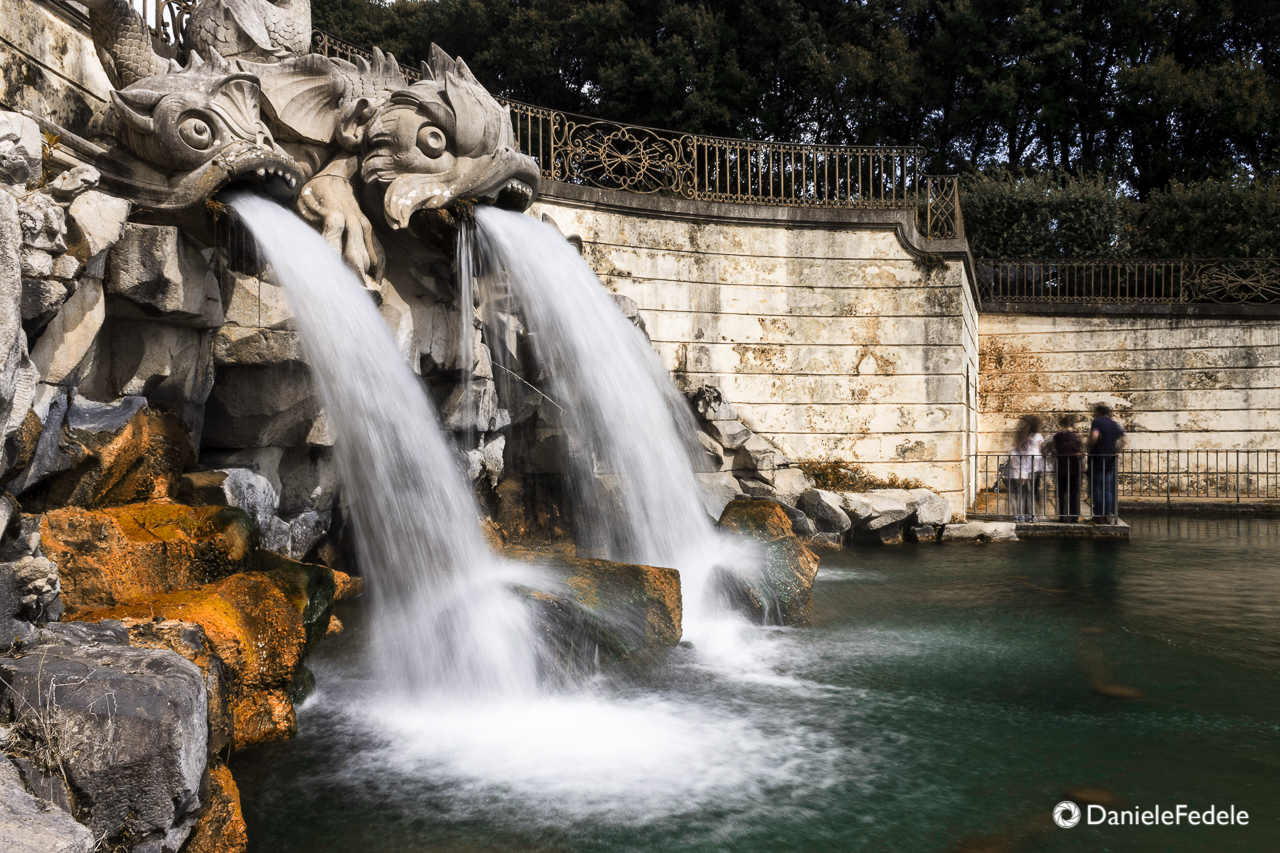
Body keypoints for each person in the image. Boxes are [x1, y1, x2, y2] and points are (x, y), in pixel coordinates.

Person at [1087, 403, 1126, 524]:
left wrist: (1089, 448)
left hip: (1098, 458)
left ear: (1099, 412)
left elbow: (1094, 436)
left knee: (1096, 488)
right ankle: (1107, 515)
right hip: (1110, 459)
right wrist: (1116, 451)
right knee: (1107, 489)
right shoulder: (1115, 424)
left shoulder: (1097, 422)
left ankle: (1098, 515)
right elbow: (1125, 439)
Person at [1044, 415, 1084, 522]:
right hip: (1074, 468)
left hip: (1061, 468)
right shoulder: (1076, 436)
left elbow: (1049, 450)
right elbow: (1082, 451)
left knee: (1061, 493)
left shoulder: (1056, 437)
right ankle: (1074, 517)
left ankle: (1062, 516)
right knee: (1073, 493)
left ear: (1061, 425)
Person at [1006, 414, 1045, 522]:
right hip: (1032, 466)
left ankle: (1026, 515)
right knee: (1030, 492)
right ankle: (1029, 515)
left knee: (1025, 493)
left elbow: (1019, 451)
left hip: (1028, 465)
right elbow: (1041, 449)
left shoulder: (1026, 437)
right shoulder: (1037, 436)